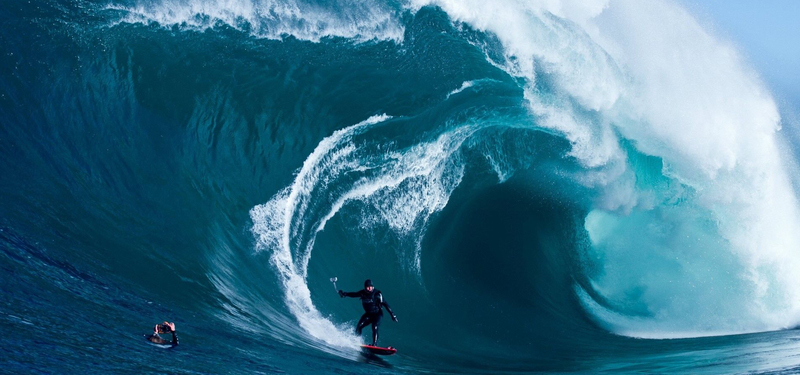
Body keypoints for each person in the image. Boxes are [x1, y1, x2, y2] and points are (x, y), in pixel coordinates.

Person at [339, 279, 398, 346]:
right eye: (368, 287)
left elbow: (386, 304)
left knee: (374, 326)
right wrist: (344, 294)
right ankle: (357, 341)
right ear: (365, 287)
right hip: (369, 314)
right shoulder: (362, 293)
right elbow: (354, 294)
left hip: (377, 314)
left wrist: (392, 315)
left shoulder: (377, 294)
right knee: (359, 326)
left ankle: (374, 344)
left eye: (371, 286)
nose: (369, 288)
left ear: (373, 286)